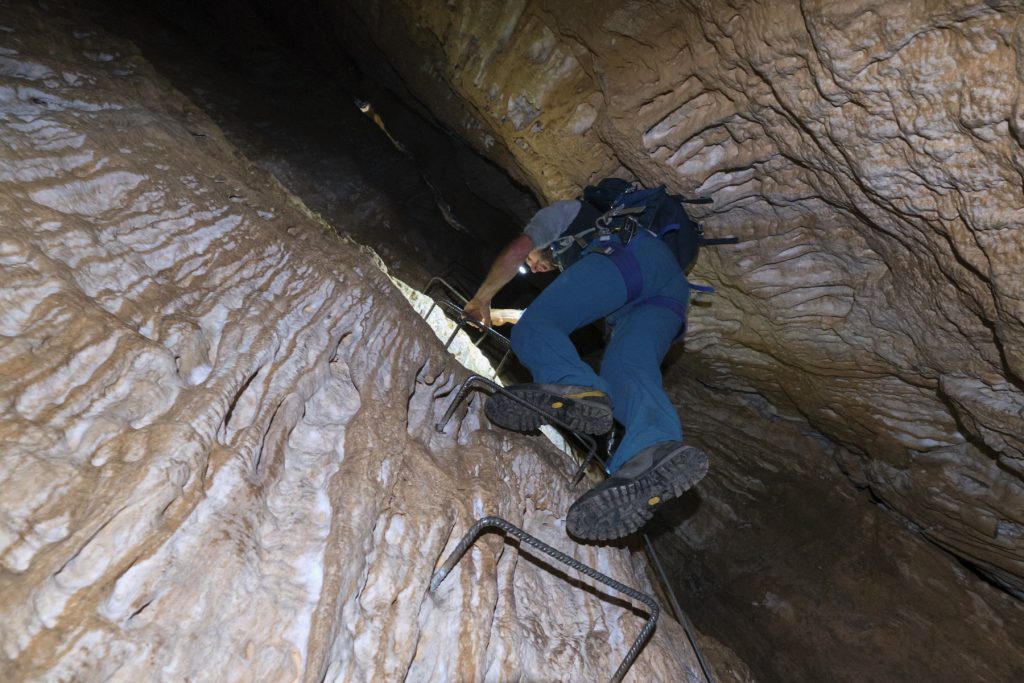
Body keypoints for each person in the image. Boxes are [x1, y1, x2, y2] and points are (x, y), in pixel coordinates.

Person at [463, 187, 709, 541]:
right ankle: (652, 450)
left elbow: (521, 251)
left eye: (532, 262)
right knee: (626, 372)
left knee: (536, 327)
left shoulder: (566, 215)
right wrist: (503, 315)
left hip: (627, 252)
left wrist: (481, 298)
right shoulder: (583, 260)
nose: (533, 266)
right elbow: (575, 299)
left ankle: (578, 389)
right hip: (669, 292)